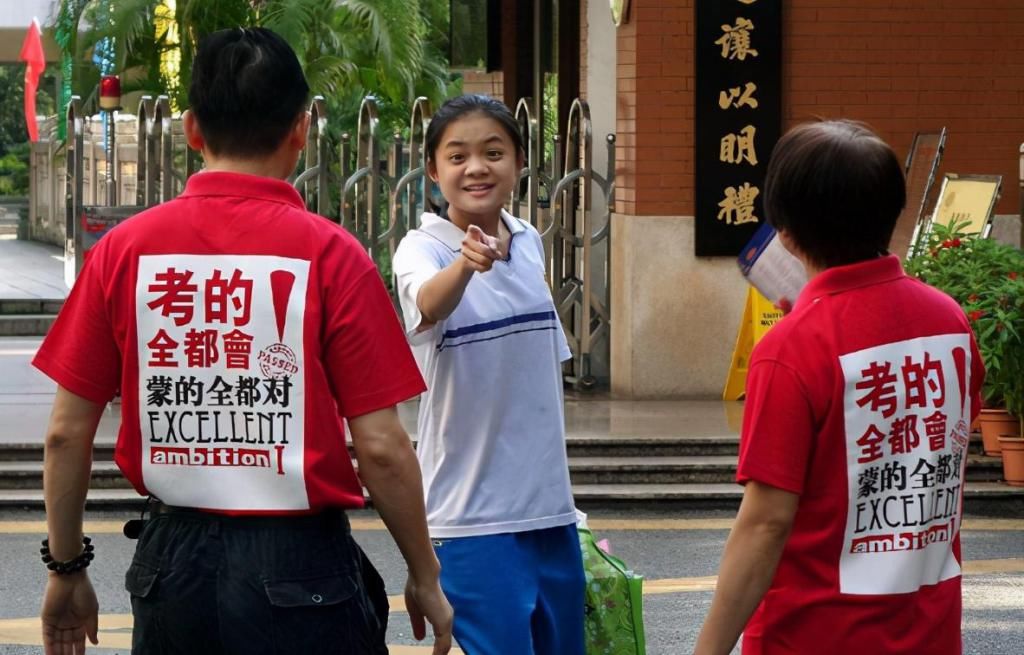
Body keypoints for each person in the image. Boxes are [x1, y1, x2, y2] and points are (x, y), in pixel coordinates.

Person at [34, 27, 452, 655]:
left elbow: (66, 433)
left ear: (193, 129)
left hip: (172, 569)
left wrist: (66, 568)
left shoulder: (122, 252)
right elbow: (383, 447)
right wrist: (424, 573)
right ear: (301, 128)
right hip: (304, 566)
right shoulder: (333, 255)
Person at [695, 120, 984, 655]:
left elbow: (764, 526)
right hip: (930, 634)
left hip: (813, 636)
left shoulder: (791, 351)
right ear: (891, 214)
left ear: (784, 230)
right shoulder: (951, 322)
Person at [391, 94, 585, 655]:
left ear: (519, 162)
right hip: (469, 521)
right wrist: (465, 266)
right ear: (433, 170)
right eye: (457, 156)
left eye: (493, 152)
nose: (476, 168)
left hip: (551, 514)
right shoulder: (421, 249)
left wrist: (570, 512)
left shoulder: (527, 242)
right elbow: (427, 304)